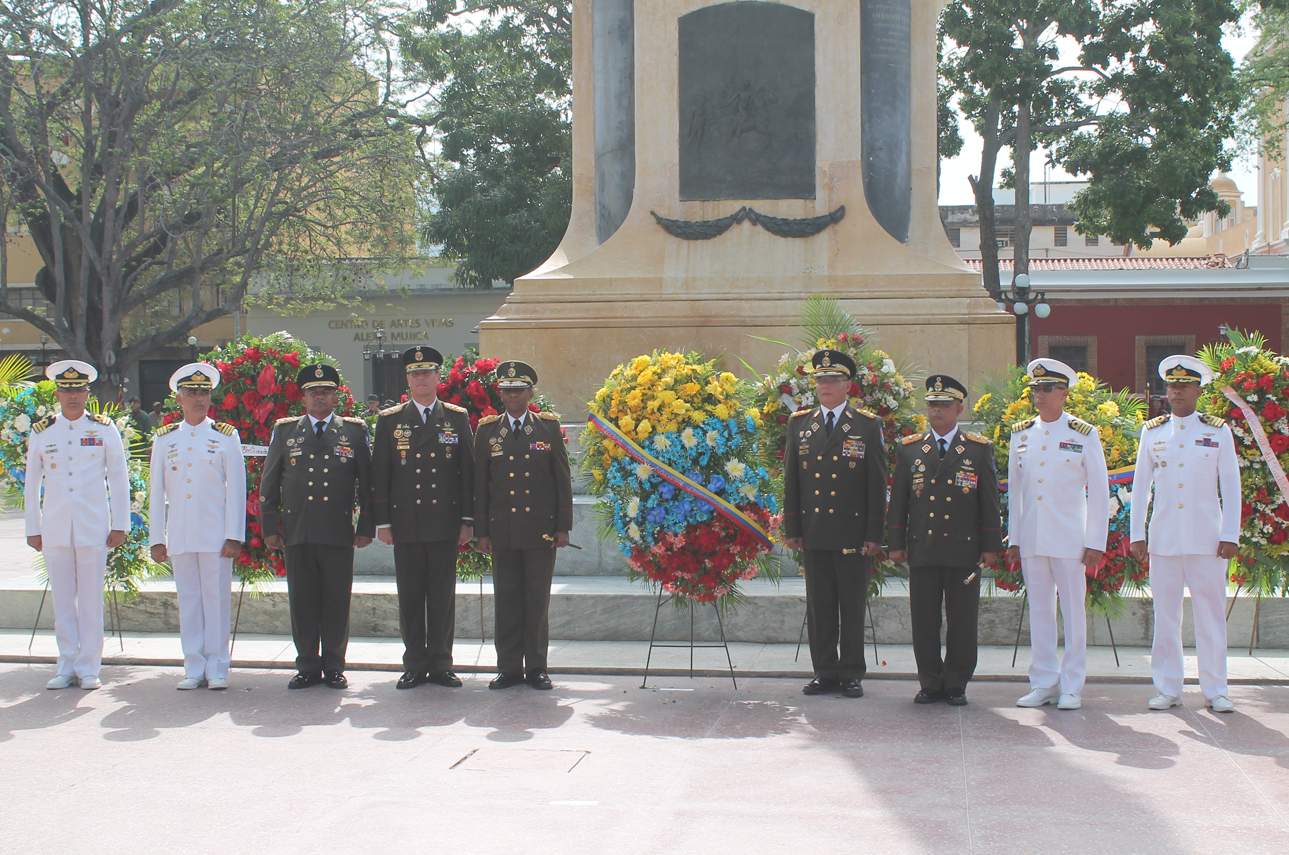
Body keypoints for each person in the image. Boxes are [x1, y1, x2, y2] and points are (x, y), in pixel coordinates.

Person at [1130, 355, 1240, 713]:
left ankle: (1215, 689)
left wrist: (1230, 534)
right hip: (1163, 538)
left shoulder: (1217, 430)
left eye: (1184, 385)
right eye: (1172, 385)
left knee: (1210, 615)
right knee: (1166, 616)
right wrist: (1137, 534)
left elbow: (1231, 486)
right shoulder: (1153, 431)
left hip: (1207, 539)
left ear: (1198, 390)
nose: (1176, 391)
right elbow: (1141, 487)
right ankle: (1167, 687)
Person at [888, 374, 1002, 706]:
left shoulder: (978, 450)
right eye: (932, 404)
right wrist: (895, 542)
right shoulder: (910, 450)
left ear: (958, 408)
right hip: (923, 546)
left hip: (963, 548)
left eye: (943, 405)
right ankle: (929, 681)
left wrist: (990, 546)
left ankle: (956, 682)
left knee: (962, 620)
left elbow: (989, 501)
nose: (936, 410)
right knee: (924, 619)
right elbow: (899, 501)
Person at [258, 363, 374, 690]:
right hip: (298, 531)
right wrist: (270, 528)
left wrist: (365, 526)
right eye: (313, 392)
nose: (319, 396)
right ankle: (307, 665)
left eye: (325, 391)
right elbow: (270, 485)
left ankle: (334, 666)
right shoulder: (285, 431)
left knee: (337, 601)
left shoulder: (352, 431)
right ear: (304, 398)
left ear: (336, 397)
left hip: (338, 532)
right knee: (303, 602)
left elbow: (367, 485)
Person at [782, 349, 888, 699]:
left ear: (848, 386)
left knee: (852, 605)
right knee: (820, 605)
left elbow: (877, 484)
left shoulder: (867, 425)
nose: (825, 386)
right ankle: (824, 670)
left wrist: (875, 534)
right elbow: (792, 482)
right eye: (820, 380)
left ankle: (851, 672)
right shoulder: (800, 424)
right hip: (814, 531)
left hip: (852, 532)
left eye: (832, 380)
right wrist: (793, 529)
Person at [1007, 359, 1109, 711]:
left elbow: (1099, 491)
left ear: (1064, 393)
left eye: (1047, 388)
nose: (1040, 394)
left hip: (1070, 539)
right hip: (1034, 537)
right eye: (1036, 388)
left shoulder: (1083, 434)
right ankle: (1044, 682)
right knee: (1040, 612)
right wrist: (1014, 538)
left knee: (1073, 612)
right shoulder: (1021, 433)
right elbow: (1016, 492)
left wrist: (1096, 540)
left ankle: (1072, 685)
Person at [371, 346, 474, 690]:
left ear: (438, 378)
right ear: (408, 380)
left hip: (444, 523)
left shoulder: (456, 418)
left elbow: (467, 473)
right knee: (411, 597)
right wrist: (383, 523)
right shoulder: (390, 420)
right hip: (406, 523)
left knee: (442, 598)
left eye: (427, 373)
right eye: (415, 374)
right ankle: (414, 663)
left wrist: (467, 520)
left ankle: (442, 663)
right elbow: (380, 475)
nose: (421, 379)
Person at [24, 360, 129, 690]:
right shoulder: (43, 432)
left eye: (79, 390)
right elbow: (31, 483)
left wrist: (120, 523)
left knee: (90, 599)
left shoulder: (103, 428)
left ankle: (89, 667)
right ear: (57, 393)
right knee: (63, 599)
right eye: (67, 390)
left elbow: (118, 478)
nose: (73, 396)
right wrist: (33, 527)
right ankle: (66, 663)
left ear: (87, 394)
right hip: (55, 527)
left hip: (93, 525)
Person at [473, 360, 572, 690]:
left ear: (531, 392)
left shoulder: (548, 428)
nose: (513, 396)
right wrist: (481, 531)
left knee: (536, 600)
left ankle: (537, 668)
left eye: (519, 390)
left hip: (539, 529)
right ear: (500, 394)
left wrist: (563, 527)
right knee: (507, 599)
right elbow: (480, 485)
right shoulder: (488, 431)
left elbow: (561, 480)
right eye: (507, 391)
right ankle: (509, 667)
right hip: (503, 530)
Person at [148, 364, 246, 690]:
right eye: (192, 393)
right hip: (179, 533)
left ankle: (217, 667)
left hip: (216, 534)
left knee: (217, 600)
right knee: (188, 601)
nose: (199, 398)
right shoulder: (165, 439)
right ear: (179, 398)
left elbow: (236, 490)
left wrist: (234, 535)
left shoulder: (225, 436)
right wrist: (155, 538)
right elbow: (156, 492)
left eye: (204, 392)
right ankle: (193, 666)